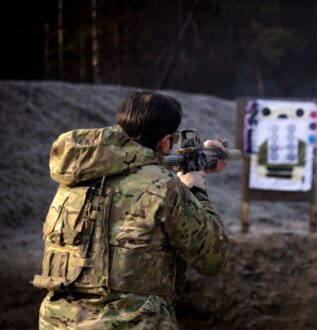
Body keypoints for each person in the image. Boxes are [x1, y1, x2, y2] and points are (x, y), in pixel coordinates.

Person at [36, 92, 230, 329]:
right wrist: (196, 189)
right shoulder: (164, 187)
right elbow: (214, 258)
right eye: (174, 139)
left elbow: (139, 170)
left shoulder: (74, 179)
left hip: (57, 322)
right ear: (165, 141)